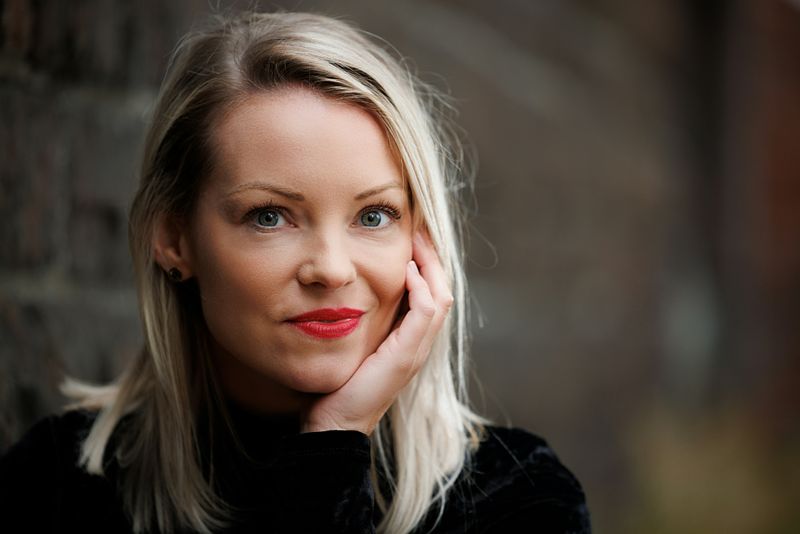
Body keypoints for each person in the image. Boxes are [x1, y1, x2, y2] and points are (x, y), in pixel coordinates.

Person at [0, 10, 590, 533]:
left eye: (375, 214)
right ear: (173, 238)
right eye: (270, 216)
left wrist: (333, 444)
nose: (331, 270)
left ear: (421, 238)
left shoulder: (515, 498)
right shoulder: (58, 488)